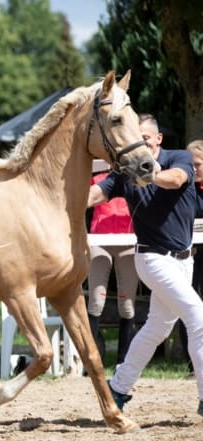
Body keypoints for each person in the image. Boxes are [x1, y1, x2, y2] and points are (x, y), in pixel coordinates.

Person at [88, 114, 203, 416]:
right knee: (198, 315)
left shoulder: (178, 157)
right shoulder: (124, 173)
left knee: (157, 328)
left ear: (158, 139)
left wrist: (143, 171)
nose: (141, 141)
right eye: (136, 136)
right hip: (151, 258)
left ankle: (118, 388)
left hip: (183, 261)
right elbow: (94, 196)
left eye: (146, 137)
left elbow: (175, 180)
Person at [87, 161, 139, 366]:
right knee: (95, 302)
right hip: (100, 241)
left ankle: (123, 362)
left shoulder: (135, 177)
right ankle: (89, 360)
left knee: (127, 305)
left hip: (127, 241)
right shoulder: (98, 176)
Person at [177, 140, 203, 374]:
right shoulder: (182, 188)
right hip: (188, 255)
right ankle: (192, 363)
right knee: (188, 306)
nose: (193, 169)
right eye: (190, 164)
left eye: (198, 164)